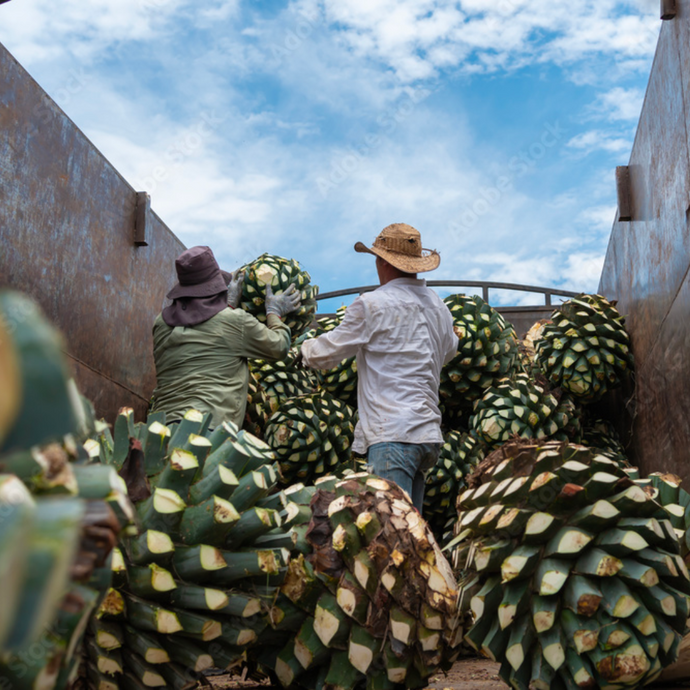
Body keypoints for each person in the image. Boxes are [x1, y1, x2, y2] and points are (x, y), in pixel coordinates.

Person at [300, 223, 458, 510]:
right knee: (413, 538)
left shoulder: (371, 304)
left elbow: (325, 355)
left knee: (390, 541)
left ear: (383, 261)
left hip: (392, 438)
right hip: (427, 438)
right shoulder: (438, 307)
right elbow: (449, 351)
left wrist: (302, 348)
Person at [150, 245, 300, 429]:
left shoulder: (160, 323)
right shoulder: (235, 321)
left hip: (158, 429)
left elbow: (203, 337)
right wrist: (274, 312)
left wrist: (227, 306)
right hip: (206, 429)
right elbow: (279, 347)